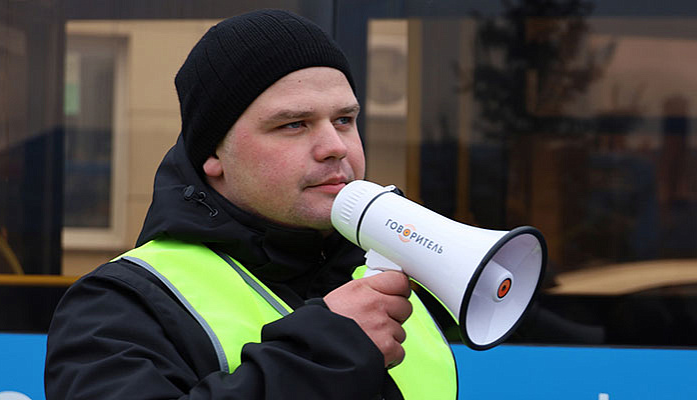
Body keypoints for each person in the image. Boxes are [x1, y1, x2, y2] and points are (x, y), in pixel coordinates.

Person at [44, 9, 457, 400]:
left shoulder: (396, 277)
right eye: (293, 124)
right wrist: (324, 354)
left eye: (345, 120)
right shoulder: (115, 307)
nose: (335, 146)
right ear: (214, 154)